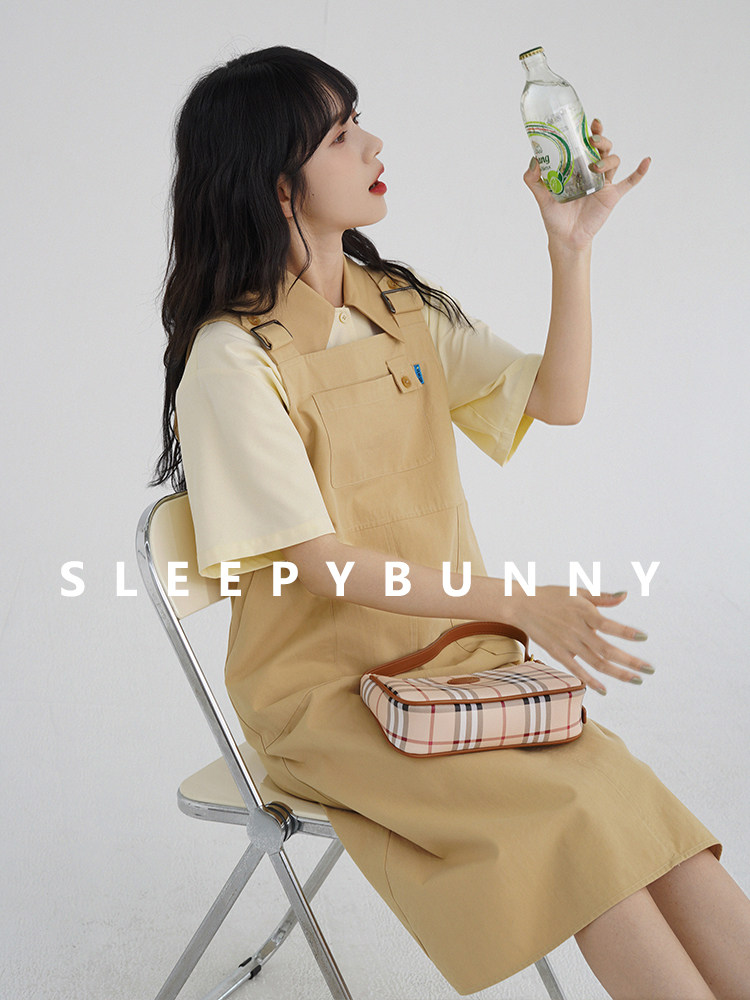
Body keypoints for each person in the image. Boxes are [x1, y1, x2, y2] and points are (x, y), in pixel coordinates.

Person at [151, 46, 750, 1000]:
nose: (373, 145)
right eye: (340, 136)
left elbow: (556, 401)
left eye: (358, 123)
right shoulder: (232, 359)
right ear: (278, 185)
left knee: (625, 797)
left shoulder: (398, 308)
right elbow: (322, 565)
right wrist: (516, 602)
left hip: (453, 660)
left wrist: (570, 247)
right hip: (325, 700)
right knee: (570, 820)